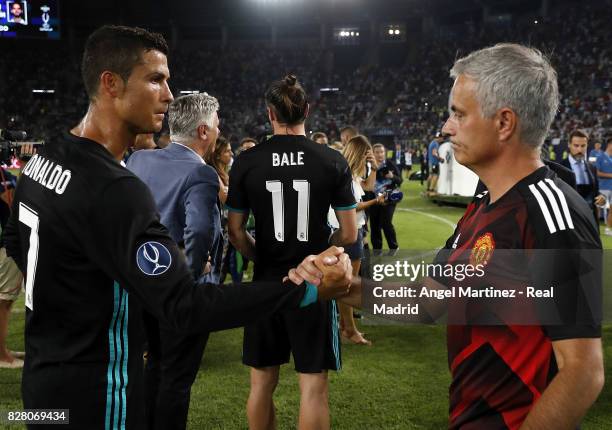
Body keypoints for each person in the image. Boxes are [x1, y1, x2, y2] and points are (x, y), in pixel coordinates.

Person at [1, 25, 352, 429]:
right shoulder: (115, 189)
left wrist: (74, 295)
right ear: (111, 84)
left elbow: (15, 240)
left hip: (43, 394)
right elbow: (185, 307)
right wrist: (304, 290)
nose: (169, 95)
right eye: (155, 80)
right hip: (99, 398)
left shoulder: (45, 160)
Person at [296, 43, 604, 430]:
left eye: (458, 113)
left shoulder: (552, 215)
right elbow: (431, 302)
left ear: (504, 122)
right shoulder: (485, 201)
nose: (446, 127)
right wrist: (342, 287)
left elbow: (582, 373)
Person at [227, 74, 357, 430]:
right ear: (307, 110)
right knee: (313, 387)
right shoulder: (331, 159)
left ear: (270, 114)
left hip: (265, 283)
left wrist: (263, 259)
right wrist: (316, 257)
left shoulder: (247, 162)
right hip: (314, 285)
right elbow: (349, 232)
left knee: (261, 384)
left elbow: (235, 232)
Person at [126, 93, 223, 429]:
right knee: (176, 379)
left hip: (140, 286)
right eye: (216, 123)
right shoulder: (202, 174)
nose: (219, 129)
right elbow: (198, 232)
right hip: (180, 293)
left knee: (152, 367)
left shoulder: (139, 160)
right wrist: (192, 274)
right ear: (202, 131)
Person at [328, 135, 383, 345]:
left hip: (349, 230)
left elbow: (368, 186)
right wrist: (375, 202)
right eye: (366, 153)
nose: (368, 156)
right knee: (347, 283)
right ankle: (350, 330)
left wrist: (374, 167)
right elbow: (352, 206)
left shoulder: (348, 174)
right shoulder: (346, 177)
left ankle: (345, 326)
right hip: (348, 231)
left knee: (344, 282)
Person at [0, 144, 34, 368]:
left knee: (6, 300)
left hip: (6, 241)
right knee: (3, 299)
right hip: (4, 243)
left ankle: (3, 349)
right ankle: (1, 356)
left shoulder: (3, 174)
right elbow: (12, 205)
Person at [560, 129, 605, 225]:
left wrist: (601, 197)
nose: (579, 150)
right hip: (570, 222)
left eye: (583, 146)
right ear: (569, 145)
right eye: (576, 146)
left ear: (587, 145)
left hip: (589, 221)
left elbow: (595, 193)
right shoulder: (559, 168)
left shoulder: (592, 168)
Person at [370, 143, 402, 253]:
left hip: (389, 198)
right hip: (373, 200)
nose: (380, 154)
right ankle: (377, 250)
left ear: (385, 153)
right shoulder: (368, 166)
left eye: (382, 152)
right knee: (374, 225)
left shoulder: (390, 165)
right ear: (373, 154)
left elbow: (400, 181)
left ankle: (394, 247)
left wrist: (392, 176)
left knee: (386, 222)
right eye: (377, 152)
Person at [595, 138, 612, 236]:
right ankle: (595, 228)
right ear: (609, 144)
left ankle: (608, 229)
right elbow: (597, 172)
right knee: (598, 208)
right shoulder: (600, 156)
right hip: (603, 187)